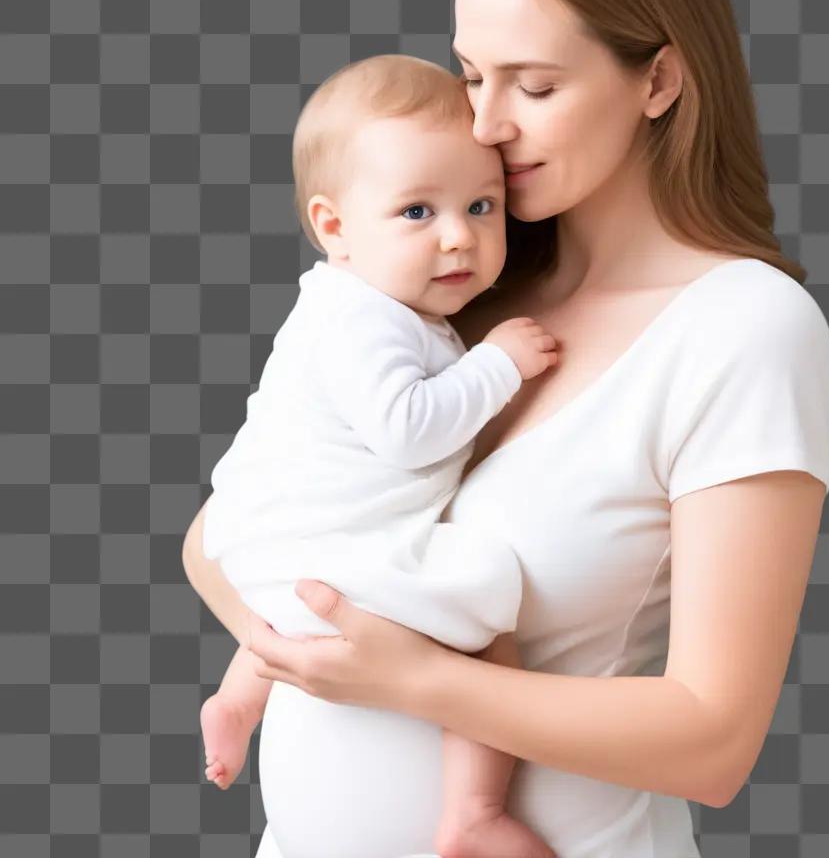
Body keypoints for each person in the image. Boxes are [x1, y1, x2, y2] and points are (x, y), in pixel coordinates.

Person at [181, 0, 829, 858]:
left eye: (533, 86)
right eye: (471, 76)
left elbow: (713, 740)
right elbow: (217, 535)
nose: (486, 124)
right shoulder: (448, 291)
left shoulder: (742, 329)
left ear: (657, 82)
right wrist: (313, 642)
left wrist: (409, 678)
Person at [194, 53, 560, 856]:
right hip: (320, 550)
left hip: (277, 548)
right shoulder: (361, 318)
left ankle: (237, 696)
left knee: (319, 610)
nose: (460, 236)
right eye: (417, 213)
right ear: (334, 228)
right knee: (489, 611)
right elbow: (408, 429)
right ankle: (474, 810)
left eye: (481, 204)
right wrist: (496, 364)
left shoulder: (372, 307)